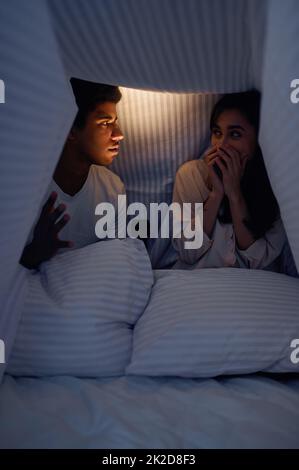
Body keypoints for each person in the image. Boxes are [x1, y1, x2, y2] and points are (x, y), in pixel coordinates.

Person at [172, 90, 286, 270]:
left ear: (258, 140)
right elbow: (187, 252)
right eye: (217, 133)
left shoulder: (277, 182)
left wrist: (234, 194)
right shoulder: (191, 175)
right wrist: (216, 194)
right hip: (195, 283)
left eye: (235, 134)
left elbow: (259, 262)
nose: (221, 145)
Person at [20, 78, 125, 270]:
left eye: (115, 122)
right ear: (70, 129)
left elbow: (116, 260)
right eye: (105, 123)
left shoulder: (112, 188)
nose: (118, 134)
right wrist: (35, 252)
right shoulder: (26, 187)